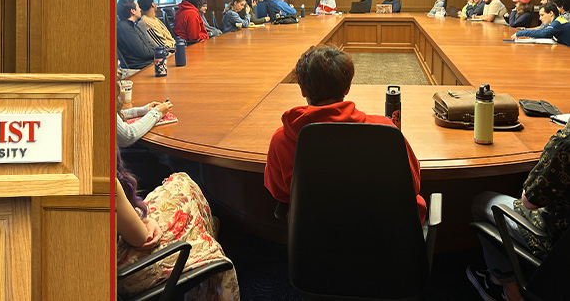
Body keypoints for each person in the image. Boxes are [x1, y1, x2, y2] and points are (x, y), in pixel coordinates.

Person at [263, 45, 426, 222]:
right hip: (386, 239)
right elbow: (413, 184)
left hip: (315, 241)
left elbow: (279, 192)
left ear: (303, 89)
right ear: (347, 87)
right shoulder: (385, 131)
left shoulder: (282, 140)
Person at [116, 148, 241, 300]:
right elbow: (142, 239)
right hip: (123, 273)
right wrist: (142, 222)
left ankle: (205, 231)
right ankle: (207, 243)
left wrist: (144, 218)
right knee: (185, 185)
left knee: (180, 182)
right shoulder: (101, 178)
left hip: (100, 263)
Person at [467, 123, 570, 301]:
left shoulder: (565, 143)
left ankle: (507, 290)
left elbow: (529, 201)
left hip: (557, 243)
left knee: (481, 202)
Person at [117, 0, 157, 69]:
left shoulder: (133, 25)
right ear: (133, 11)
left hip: (148, 63)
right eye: (138, 7)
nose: (140, 9)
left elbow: (148, 45)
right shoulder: (125, 28)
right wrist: (158, 53)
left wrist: (157, 51)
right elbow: (144, 53)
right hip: (141, 68)